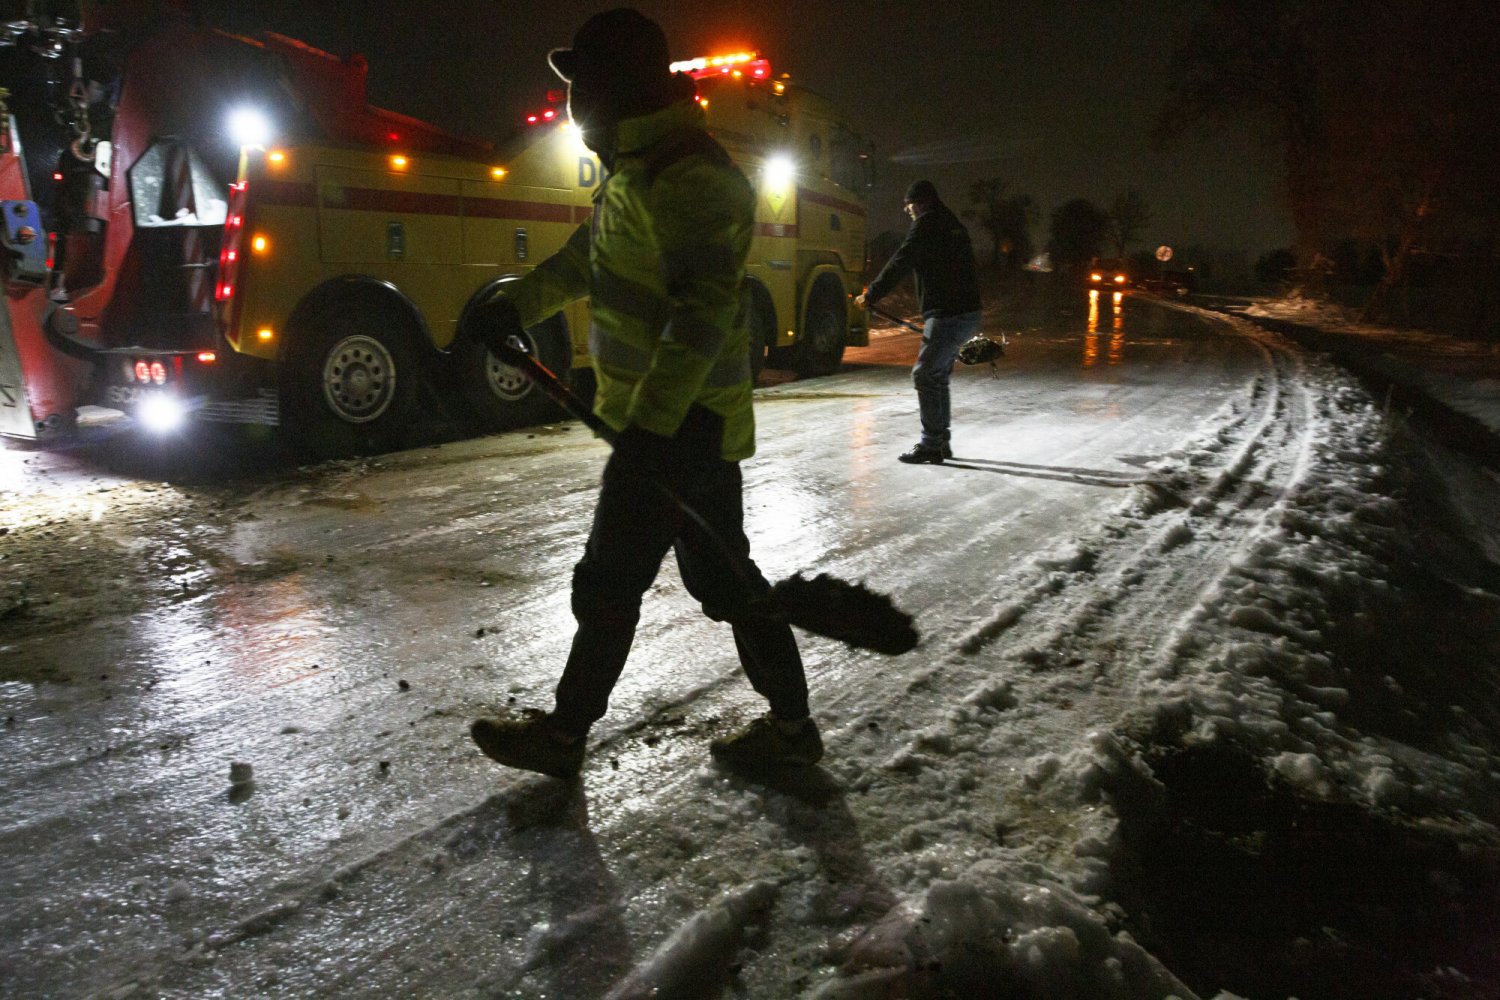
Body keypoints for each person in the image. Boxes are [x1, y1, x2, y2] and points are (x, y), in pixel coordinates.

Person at [463, 8, 820, 780]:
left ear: (613, 89)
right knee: (722, 582)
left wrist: (655, 432)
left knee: (613, 580)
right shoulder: (637, 171)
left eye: (581, 86)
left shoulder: (692, 179)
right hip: (666, 430)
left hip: (681, 431)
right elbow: (583, 262)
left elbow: (702, 318)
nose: (572, 104)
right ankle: (793, 728)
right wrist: (514, 306)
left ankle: (563, 739)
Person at [855, 180, 983, 464]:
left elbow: (901, 261)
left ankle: (931, 444)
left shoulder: (927, 225)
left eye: (909, 204)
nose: (907, 209)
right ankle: (940, 442)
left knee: (924, 374)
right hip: (965, 312)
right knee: (937, 376)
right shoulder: (952, 224)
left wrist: (871, 294)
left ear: (921, 202)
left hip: (948, 314)